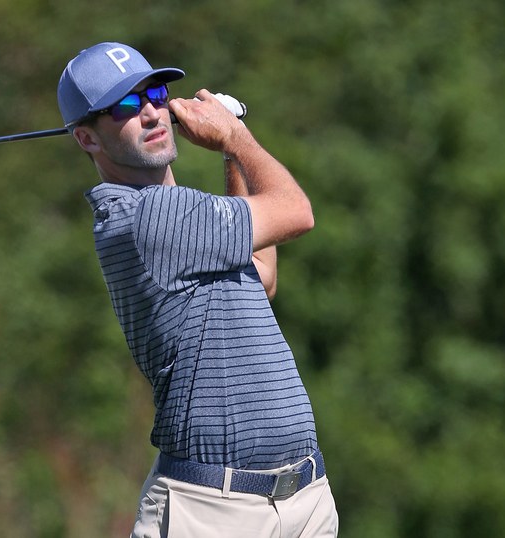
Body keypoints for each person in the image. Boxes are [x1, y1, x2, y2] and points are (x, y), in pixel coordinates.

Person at [57, 42, 339, 538]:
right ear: (87, 138)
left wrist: (231, 157)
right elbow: (297, 212)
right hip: (214, 512)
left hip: (302, 501)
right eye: (125, 106)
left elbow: (260, 274)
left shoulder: (187, 222)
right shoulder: (146, 218)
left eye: (156, 93)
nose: (150, 112)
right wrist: (235, 137)